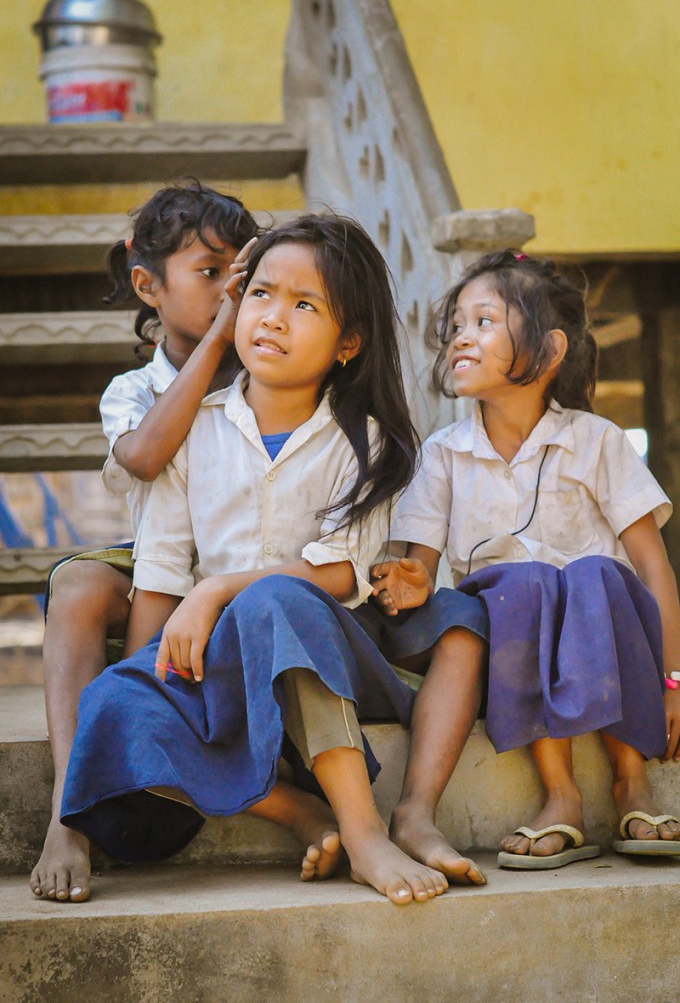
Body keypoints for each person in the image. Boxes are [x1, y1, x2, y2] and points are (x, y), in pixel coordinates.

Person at [59, 214, 488, 905]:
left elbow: (342, 574)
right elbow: (164, 564)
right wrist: (153, 676)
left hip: (329, 653)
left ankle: (364, 831)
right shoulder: (194, 428)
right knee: (113, 701)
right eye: (260, 294)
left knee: (275, 600)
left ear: (349, 342)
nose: (273, 318)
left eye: (305, 305)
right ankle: (295, 810)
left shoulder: (368, 442)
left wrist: (217, 591)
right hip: (227, 663)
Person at [371, 249, 680, 870]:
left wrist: (675, 679)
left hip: (613, 633)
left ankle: (630, 782)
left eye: (484, 321)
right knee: (523, 583)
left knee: (596, 571)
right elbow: (422, 574)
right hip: (511, 638)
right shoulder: (444, 454)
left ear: (549, 351)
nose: (462, 336)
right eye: (456, 323)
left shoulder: (596, 440)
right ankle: (560, 793)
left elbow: (653, 569)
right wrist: (405, 581)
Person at [30, 180, 258, 903]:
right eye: (210, 272)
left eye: (240, 275)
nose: (231, 291)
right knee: (76, 585)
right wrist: (222, 331)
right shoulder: (132, 389)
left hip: (241, 572)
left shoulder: (271, 370)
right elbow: (145, 456)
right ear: (146, 285)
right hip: (155, 570)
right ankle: (70, 815)